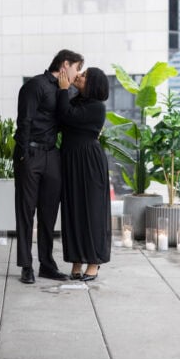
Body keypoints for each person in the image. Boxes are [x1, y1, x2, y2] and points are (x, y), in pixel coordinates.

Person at [14, 49, 84, 284]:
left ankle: (46, 265)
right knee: (26, 212)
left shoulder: (69, 90)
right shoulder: (35, 85)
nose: (78, 73)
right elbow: (24, 120)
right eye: (77, 68)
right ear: (65, 64)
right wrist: (23, 156)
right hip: (31, 154)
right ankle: (26, 265)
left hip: (52, 156)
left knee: (49, 213)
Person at [57, 67, 111, 281]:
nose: (79, 75)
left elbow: (67, 116)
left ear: (94, 83)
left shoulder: (97, 107)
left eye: (85, 75)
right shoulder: (76, 101)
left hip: (88, 162)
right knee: (73, 210)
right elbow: (60, 118)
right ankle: (77, 260)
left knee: (92, 211)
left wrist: (63, 89)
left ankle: (94, 262)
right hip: (71, 160)